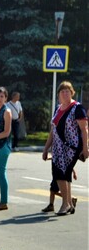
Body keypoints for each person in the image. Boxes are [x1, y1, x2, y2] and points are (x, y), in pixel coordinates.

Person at [41, 81, 88, 216]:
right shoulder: (58, 108)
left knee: (61, 174)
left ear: (72, 93)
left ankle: (65, 204)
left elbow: (84, 129)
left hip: (71, 148)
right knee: (64, 175)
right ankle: (69, 204)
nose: (65, 93)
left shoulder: (77, 108)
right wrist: (46, 148)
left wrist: (85, 148)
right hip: (57, 148)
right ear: (58, 95)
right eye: (62, 91)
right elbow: (53, 131)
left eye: (68, 91)